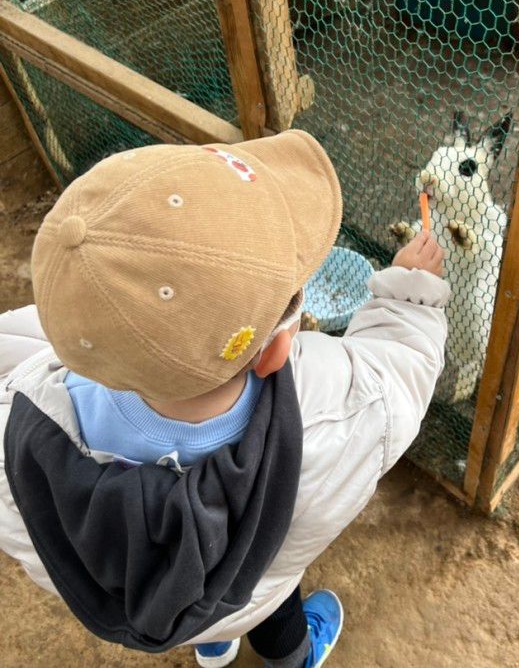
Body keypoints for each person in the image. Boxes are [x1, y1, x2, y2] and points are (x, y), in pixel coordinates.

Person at [0, 130, 449, 667]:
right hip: (249, 586)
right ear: (275, 349)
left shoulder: (23, 414)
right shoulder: (325, 409)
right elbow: (398, 375)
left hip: (161, 604)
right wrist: (409, 295)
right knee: (267, 598)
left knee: (190, 590)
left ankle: (208, 641)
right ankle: (290, 656)